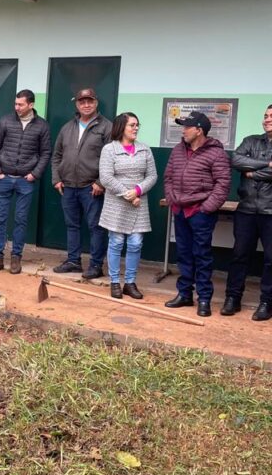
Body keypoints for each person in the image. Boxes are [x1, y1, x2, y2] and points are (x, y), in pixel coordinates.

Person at [163, 111, 231, 317]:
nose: (183, 130)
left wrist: (207, 207)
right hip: (180, 210)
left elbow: (223, 184)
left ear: (199, 130)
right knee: (183, 255)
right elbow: (168, 177)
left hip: (200, 212)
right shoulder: (177, 150)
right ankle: (184, 294)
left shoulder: (216, 153)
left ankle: (204, 299)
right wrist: (172, 198)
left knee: (202, 255)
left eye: (187, 127)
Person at [0, 89, 51, 273]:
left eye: (21, 104)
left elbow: (46, 153)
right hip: (4, 177)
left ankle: (16, 258)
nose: (17, 107)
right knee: (0, 218)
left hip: (25, 180)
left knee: (21, 219)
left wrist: (34, 174)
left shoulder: (42, 126)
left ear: (31, 105)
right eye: (15, 104)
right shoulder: (5, 121)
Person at [51, 87, 113, 278]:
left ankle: (95, 266)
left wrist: (100, 182)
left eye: (90, 101)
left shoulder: (106, 127)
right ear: (76, 104)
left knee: (96, 227)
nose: (86, 105)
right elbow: (57, 156)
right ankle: (73, 261)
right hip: (68, 186)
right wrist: (56, 179)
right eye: (82, 102)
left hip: (91, 187)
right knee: (72, 225)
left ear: (96, 103)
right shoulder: (67, 127)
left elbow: (112, 158)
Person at [221, 104, 272, 321]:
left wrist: (252, 173)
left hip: (270, 212)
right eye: (265, 115)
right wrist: (267, 164)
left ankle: (266, 302)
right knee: (240, 255)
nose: (267, 119)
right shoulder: (251, 140)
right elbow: (236, 160)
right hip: (247, 209)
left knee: (271, 260)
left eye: (271, 116)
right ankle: (233, 298)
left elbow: (246, 167)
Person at [98, 113, 158, 299]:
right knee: (116, 241)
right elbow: (106, 177)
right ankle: (115, 282)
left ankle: (130, 283)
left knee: (136, 243)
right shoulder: (109, 149)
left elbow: (152, 176)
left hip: (139, 203)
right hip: (117, 203)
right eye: (132, 125)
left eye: (137, 125)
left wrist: (138, 190)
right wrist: (128, 195)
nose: (136, 128)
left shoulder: (145, 150)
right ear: (121, 127)